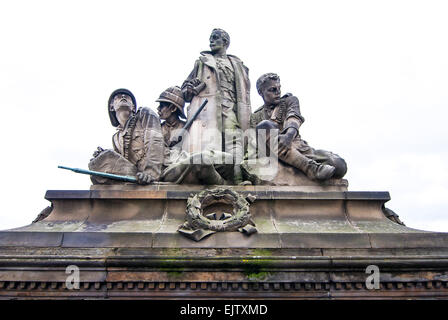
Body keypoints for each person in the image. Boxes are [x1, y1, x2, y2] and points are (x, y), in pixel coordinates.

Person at [181, 28, 251, 184]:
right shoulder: (202, 62)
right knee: (211, 143)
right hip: (210, 110)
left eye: (215, 38)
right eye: (210, 38)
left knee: (235, 140)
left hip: (231, 107)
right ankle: (212, 179)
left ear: (225, 42)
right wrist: (190, 88)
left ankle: (238, 179)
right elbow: (185, 92)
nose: (211, 41)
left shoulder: (238, 64)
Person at [250, 73, 347, 181]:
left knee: (339, 164)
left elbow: (294, 118)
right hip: (271, 153)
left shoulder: (289, 100)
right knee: (264, 126)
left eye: (279, 88)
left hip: (297, 145)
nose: (277, 92)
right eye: (272, 90)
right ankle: (311, 169)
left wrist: (288, 136)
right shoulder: (255, 116)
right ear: (260, 92)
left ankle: (306, 162)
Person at [156, 86, 233, 185]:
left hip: (187, 160)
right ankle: (224, 186)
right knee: (202, 160)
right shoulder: (157, 129)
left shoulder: (189, 127)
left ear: (173, 108)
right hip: (169, 167)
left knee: (228, 159)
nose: (158, 109)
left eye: (162, 106)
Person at [89, 88, 164, 184]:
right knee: (99, 162)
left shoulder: (144, 114)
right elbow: (123, 161)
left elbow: (155, 141)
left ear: (133, 107)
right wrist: (104, 155)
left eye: (127, 97)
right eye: (118, 97)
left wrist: (151, 172)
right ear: (112, 107)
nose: (123, 97)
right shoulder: (116, 137)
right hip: (136, 174)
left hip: (156, 170)